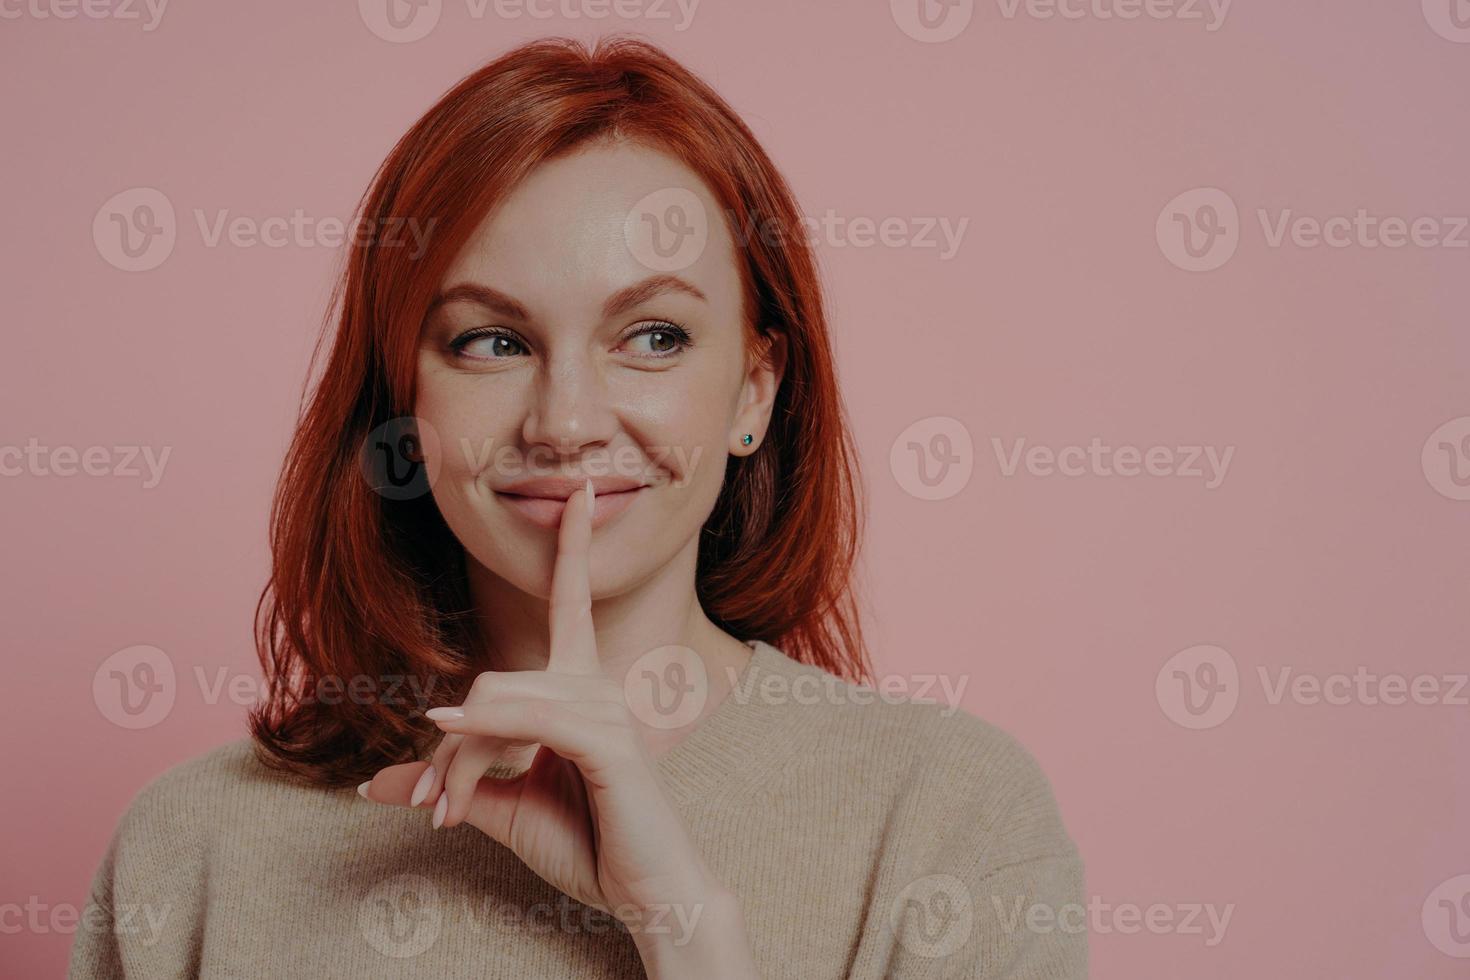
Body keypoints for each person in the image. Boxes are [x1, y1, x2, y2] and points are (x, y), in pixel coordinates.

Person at [70, 35, 1086, 979]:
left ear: (755, 390)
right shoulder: (193, 849)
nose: (565, 423)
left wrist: (686, 924)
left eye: (652, 336)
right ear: (404, 402)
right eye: (490, 341)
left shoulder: (953, 820)